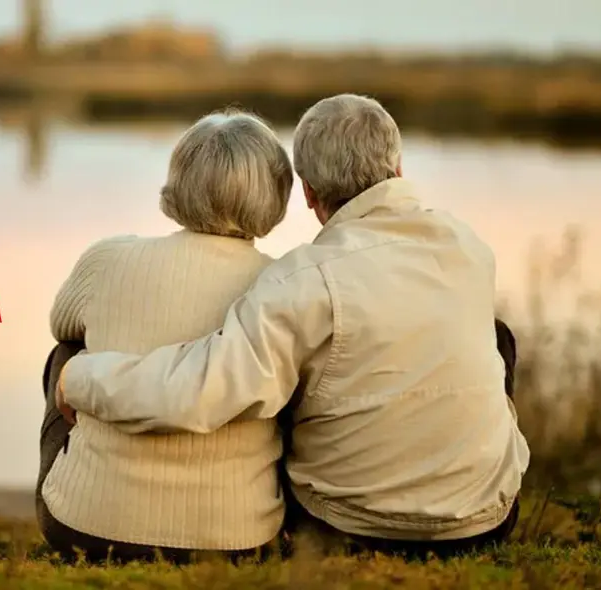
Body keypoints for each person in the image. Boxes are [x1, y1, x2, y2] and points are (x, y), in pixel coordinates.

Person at [56, 94, 531, 559]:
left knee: (286, 373)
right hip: (484, 521)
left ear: (307, 192)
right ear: (399, 168)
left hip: (349, 526)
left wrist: (79, 376)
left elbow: (203, 389)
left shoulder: (303, 279)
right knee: (496, 337)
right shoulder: (469, 248)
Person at [37, 110, 294, 563]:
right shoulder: (283, 285)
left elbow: (62, 324)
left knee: (67, 353)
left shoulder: (108, 259)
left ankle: (92, 481)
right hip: (238, 539)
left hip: (85, 528)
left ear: (178, 182)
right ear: (276, 193)